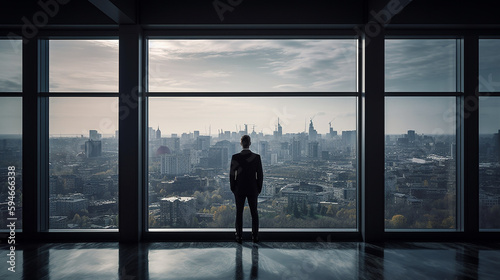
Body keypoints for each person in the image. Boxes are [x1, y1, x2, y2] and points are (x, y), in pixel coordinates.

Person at [230, 135, 263, 243]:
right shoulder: (256, 157)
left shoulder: (235, 157)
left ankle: (239, 236)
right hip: (253, 189)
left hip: (239, 189)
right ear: (250, 143)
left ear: (241, 143)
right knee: (254, 212)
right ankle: (255, 236)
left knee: (239, 213)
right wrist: (258, 188)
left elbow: (232, 175)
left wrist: (233, 188)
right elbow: (260, 175)